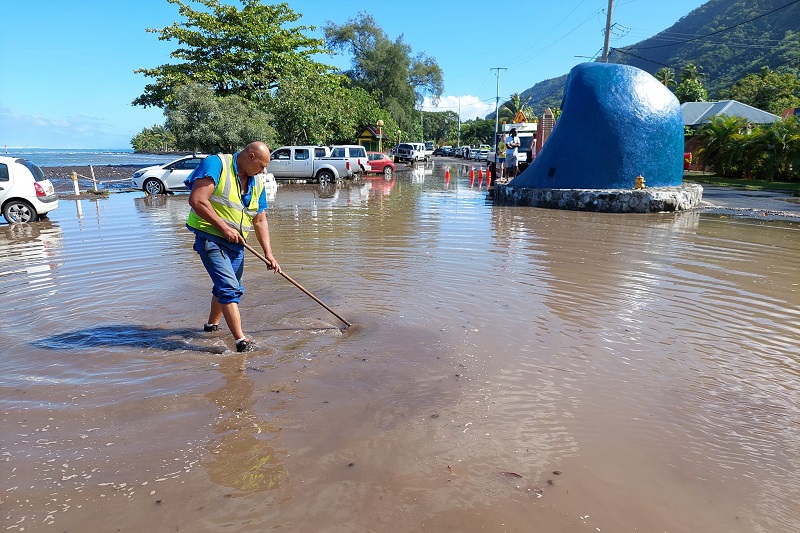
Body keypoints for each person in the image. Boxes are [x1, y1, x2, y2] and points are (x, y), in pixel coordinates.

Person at [184, 141, 281, 353]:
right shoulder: (217, 164)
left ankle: (211, 327)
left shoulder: (257, 183)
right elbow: (197, 200)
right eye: (262, 165)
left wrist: (269, 254)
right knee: (230, 288)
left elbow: (260, 220)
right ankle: (241, 342)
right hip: (211, 237)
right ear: (251, 156)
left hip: (237, 244)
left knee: (226, 286)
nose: (263, 170)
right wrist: (224, 228)